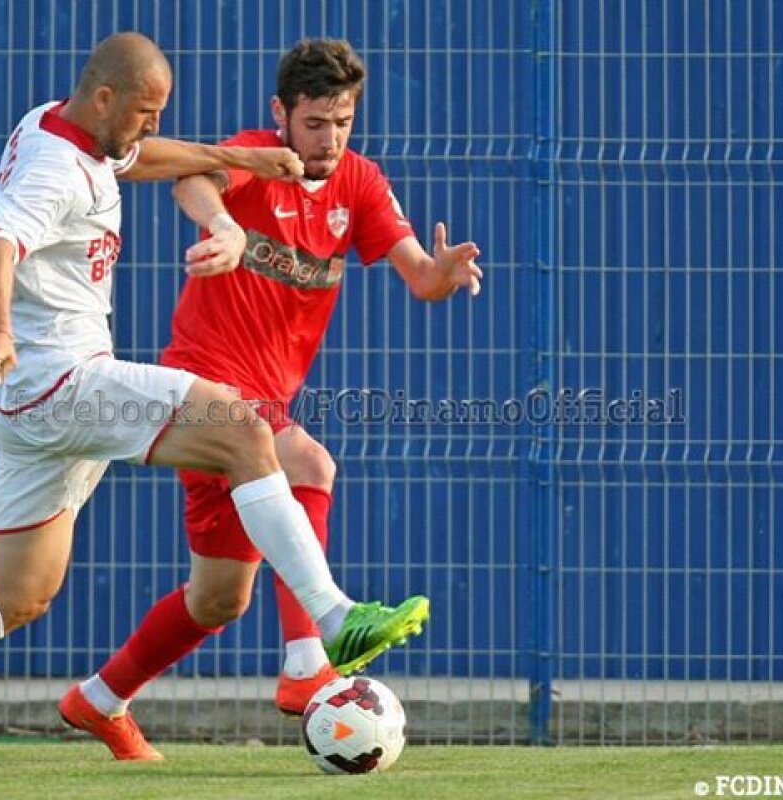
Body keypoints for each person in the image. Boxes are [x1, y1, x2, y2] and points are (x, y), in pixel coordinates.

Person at [0, 32, 431, 779]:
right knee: (242, 432)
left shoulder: (70, 126)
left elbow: (150, 160)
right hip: (61, 379)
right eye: (144, 111)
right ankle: (331, 622)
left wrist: (235, 158)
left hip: (29, 409)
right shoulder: (52, 169)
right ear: (104, 99)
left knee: (18, 594)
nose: (150, 126)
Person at [67, 37, 481, 757]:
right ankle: (305, 665)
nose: (329, 138)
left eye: (343, 121)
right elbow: (193, 180)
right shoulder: (257, 154)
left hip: (267, 398)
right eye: (315, 122)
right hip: (208, 384)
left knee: (219, 599)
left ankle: (99, 699)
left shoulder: (359, 183)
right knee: (310, 465)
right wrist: (223, 224)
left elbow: (417, 275)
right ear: (281, 115)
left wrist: (441, 275)